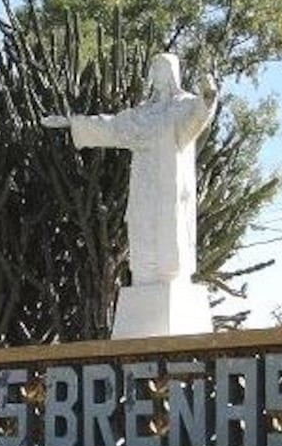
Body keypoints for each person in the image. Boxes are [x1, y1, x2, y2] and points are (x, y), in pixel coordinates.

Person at [41, 53, 217, 287]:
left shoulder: (184, 105)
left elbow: (195, 121)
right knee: (141, 224)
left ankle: (168, 275)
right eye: (153, 70)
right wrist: (72, 122)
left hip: (170, 183)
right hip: (143, 182)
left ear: (173, 73)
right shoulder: (143, 113)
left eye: (161, 69)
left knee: (169, 228)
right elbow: (113, 126)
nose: (156, 75)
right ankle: (145, 276)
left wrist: (207, 98)